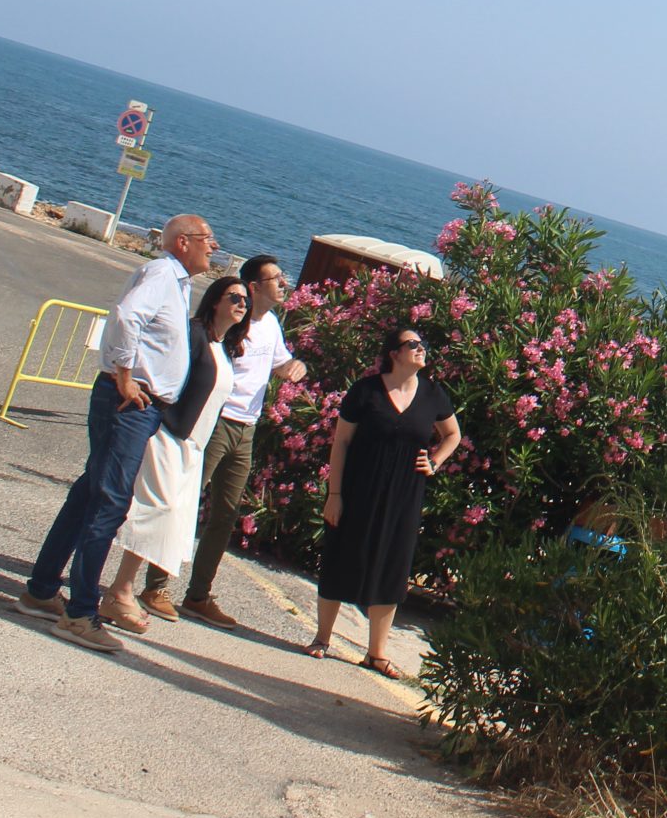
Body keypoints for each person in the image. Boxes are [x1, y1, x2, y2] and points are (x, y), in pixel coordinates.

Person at [15, 214, 214, 653]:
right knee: (110, 501)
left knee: (90, 492)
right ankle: (82, 614)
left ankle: (42, 589)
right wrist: (125, 376)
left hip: (142, 404)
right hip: (128, 402)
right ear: (183, 242)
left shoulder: (177, 281)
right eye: (206, 239)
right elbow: (126, 317)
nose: (212, 247)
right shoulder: (164, 273)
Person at [143, 253, 307, 627]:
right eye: (276, 279)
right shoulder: (236, 322)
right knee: (182, 502)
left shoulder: (272, 325)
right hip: (216, 422)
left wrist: (294, 366)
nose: (284, 284)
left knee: (225, 515)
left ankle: (198, 595)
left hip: (246, 429)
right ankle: (155, 586)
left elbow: (279, 363)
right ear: (253, 287)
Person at [307, 325, 460, 678]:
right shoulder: (366, 391)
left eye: (423, 344)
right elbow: (341, 442)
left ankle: (376, 654)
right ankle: (322, 638)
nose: (422, 349)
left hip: (405, 496)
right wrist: (334, 495)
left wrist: (435, 462)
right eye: (413, 344)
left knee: (392, 568)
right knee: (340, 556)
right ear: (394, 353)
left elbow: (453, 434)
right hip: (359, 488)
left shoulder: (433, 393)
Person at [100, 276, 243, 633]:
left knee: (166, 520)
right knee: (151, 512)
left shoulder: (224, 347)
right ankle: (119, 590)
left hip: (193, 445)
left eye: (245, 300)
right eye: (234, 297)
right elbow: (168, 377)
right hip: (170, 436)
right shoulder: (194, 335)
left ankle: (122, 589)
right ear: (214, 301)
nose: (242, 303)